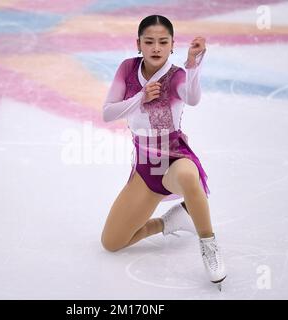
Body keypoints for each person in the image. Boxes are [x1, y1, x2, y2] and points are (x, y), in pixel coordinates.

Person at [100, 15, 226, 290]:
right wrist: (140, 97)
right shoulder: (127, 68)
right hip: (145, 167)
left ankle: (209, 245)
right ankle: (175, 220)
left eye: (162, 42)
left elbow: (192, 98)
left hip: (174, 158)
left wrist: (193, 65)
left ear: (172, 46)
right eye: (149, 41)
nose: (155, 47)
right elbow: (108, 112)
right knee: (112, 242)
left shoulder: (177, 74)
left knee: (189, 178)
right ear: (138, 44)